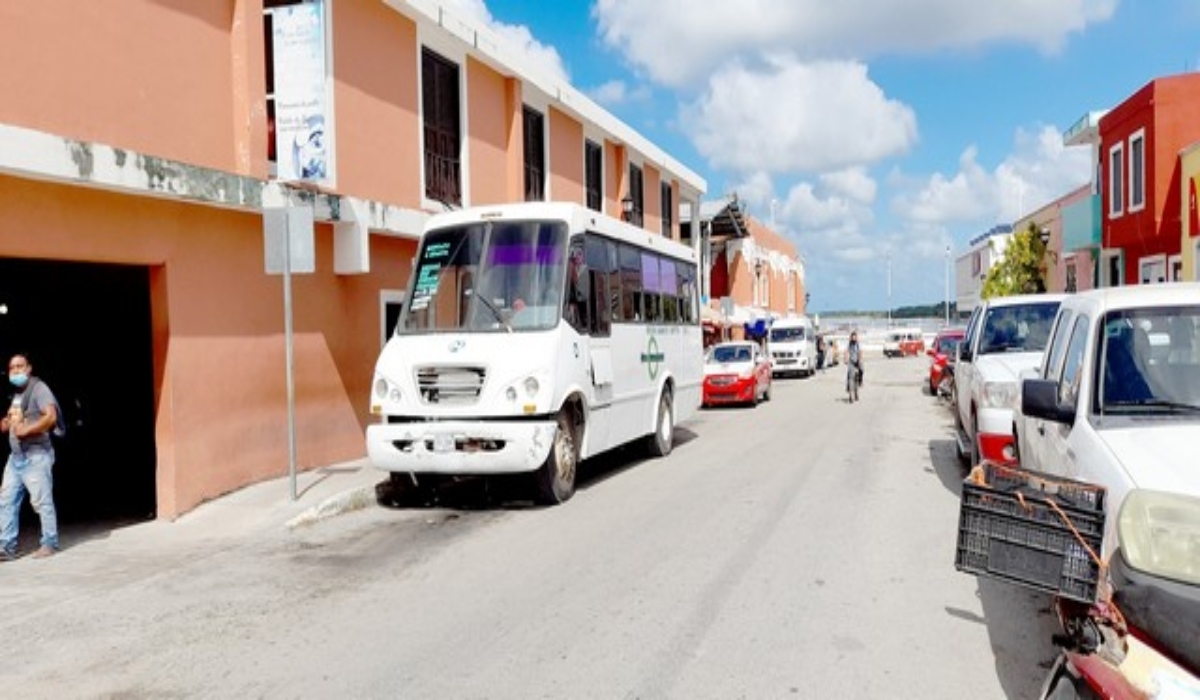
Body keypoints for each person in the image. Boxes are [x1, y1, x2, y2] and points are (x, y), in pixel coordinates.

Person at [0, 354, 61, 560]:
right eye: (12, 368)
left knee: (41, 501)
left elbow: (50, 416)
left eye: (20, 366)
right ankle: (7, 547)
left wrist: (26, 430)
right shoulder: (17, 394)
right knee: (6, 501)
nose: (16, 371)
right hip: (16, 457)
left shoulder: (39, 388)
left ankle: (50, 543)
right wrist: (7, 424)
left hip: (35, 455)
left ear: (29, 368)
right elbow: (13, 419)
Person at [845, 331, 864, 402]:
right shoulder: (849, 344)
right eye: (852, 337)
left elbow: (860, 352)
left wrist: (859, 360)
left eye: (855, 337)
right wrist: (846, 359)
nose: (853, 338)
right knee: (849, 376)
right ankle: (850, 394)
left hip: (857, 361)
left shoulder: (858, 344)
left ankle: (860, 381)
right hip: (851, 362)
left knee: (862, 369)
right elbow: (846, 351)